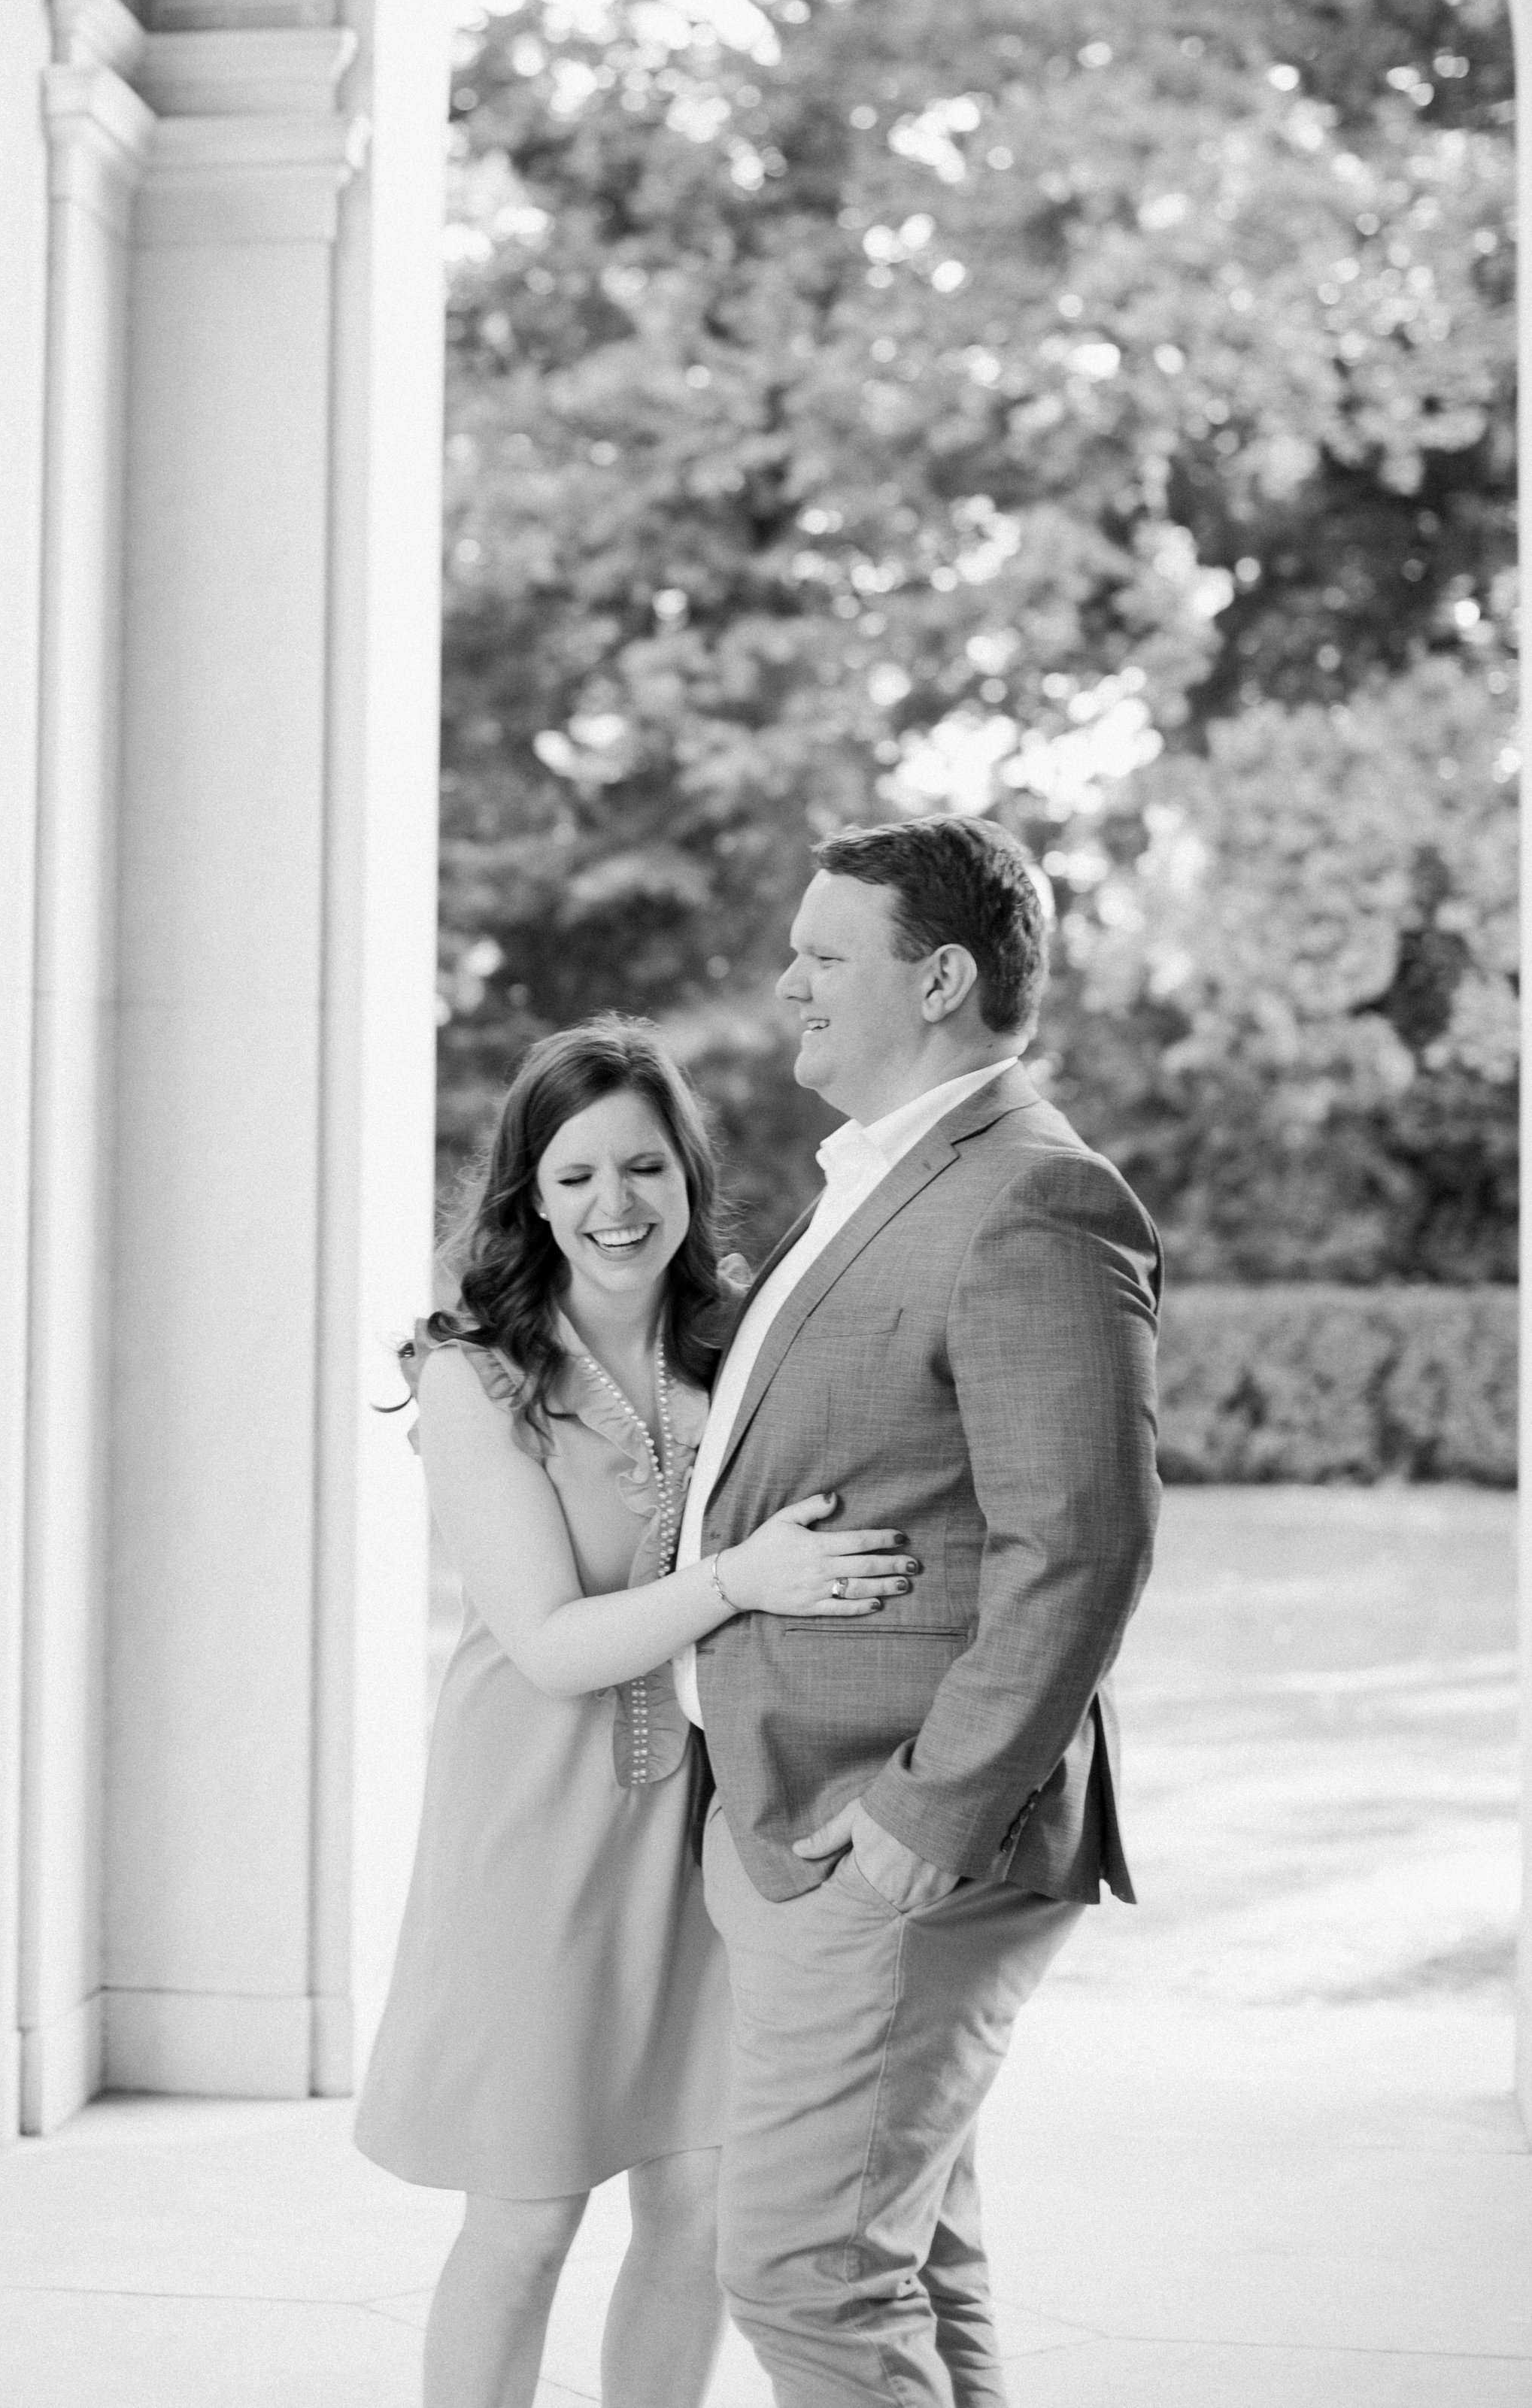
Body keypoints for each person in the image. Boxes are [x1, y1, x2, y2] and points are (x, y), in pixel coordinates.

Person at [354, 1014, 920, 2408]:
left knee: (703, 2201)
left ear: (688, 1175)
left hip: (709, 1831)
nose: (617, 1205)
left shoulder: (735, 1340)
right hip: (534, 1822)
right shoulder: (476, 1369)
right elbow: (549, 1642)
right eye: (577, 1175)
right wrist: (742, 1577)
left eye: (646, 1168)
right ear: (530, 1199)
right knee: (530, 2213)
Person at [673, 816, 1163, 2406]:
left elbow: (1077, 1547)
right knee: (904, 2264)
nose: (785, 981)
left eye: (824, 954)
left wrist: (914, 1826)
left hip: (888, 1841)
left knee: (803, 2276)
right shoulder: (881, 1176)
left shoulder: (1032, 1198)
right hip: (802, 1817)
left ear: (938, 976)